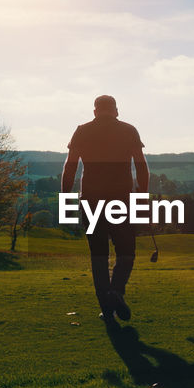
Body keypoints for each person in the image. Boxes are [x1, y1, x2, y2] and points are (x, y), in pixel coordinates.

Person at [62, 95, 149, 321]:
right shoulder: (129, 130)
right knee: (126, 252)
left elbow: (70, 167)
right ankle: (116, 290)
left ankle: (107, 308)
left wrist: (65, 196)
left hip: (90, 199)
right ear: (116, 111)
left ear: (95, 111)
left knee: (99, 255)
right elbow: (141, 167)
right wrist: (142, 196)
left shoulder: (82, 131)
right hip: (122, 200)